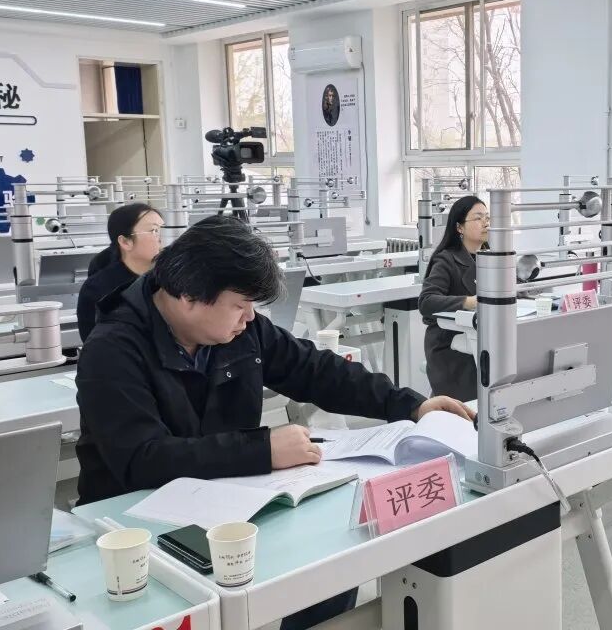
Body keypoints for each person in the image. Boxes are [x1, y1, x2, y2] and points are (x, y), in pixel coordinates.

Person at [75, 216, 474, 628]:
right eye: (240, 306)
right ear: (190, 295)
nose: (249, 317)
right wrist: (263, 450)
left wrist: (411, 406)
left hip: (229, 502)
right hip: (132, 531)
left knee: (329, 568)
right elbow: (143, 458)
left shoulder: (240, 332)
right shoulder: (113, 350)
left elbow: (315, 370)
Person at [417, 196, 490, 402]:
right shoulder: (446, 259)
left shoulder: (492, 257)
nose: (485, 223)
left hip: (482, 340)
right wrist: (468, 302)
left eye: (487, 217)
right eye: (478, 218)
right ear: (459, 227)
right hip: (450, 348)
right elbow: (426, 302)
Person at [76, 203, 163, 342]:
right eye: (154, 230)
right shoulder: (97, 289)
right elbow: (94, 344)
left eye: (162, 229)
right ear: (125, 242)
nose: (161, 238)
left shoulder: (170, 279)